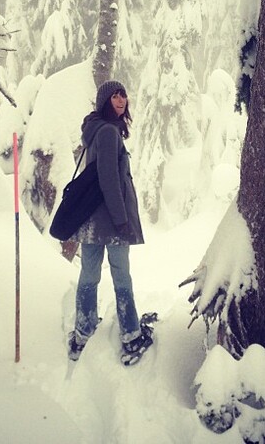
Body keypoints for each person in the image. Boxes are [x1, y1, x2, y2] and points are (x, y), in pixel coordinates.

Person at [68, 80, 152, 363]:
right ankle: (130, 333)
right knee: (121, 276)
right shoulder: (107, 133)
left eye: (123, 96)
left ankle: (83, 330)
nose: (120, 100)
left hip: (93, 221)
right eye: (115, 96)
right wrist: (121, 220)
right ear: (104, 101)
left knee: (89, 274)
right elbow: (109, 179)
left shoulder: (98, 130)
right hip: (111, 221)